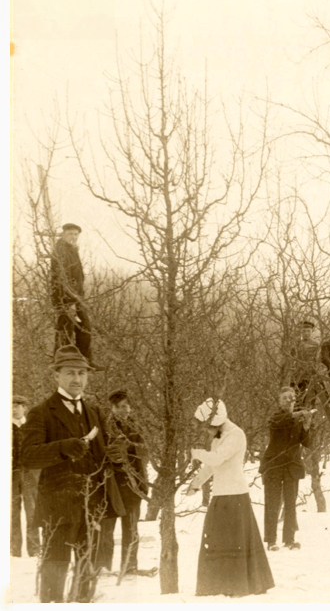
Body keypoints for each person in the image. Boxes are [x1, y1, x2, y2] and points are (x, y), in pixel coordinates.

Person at [20, 345, 127, 603]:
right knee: (55, 566)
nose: (77, 379)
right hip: (59, 506)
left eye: (81, 373)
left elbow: (106, 452)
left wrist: (116, 453)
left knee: (88, 567)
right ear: (56, 375)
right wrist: (63, 448)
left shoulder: (95, 411)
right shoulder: (41, 412)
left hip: (94, 505)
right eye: (70, 373)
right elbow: (28, 456)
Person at [188, 398, 274, 597]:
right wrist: (196, 483)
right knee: (218, 541)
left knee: (235, 542)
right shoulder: (220, 437)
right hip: (221, 496)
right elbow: (212, 466)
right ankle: (220, 586)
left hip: (235, 497)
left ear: (217, 423)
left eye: (208, 428)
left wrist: (196, 452)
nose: (207, 432)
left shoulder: (236, 435)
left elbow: (216, 458)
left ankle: (239, 586)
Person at [98, 390, 152, 578]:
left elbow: (144, 453)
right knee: (106, 529)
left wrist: (130, 446)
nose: (125, 410)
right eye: (121, 407)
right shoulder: (105, 427)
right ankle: (102, 568)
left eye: (128, 406)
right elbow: (102, 453)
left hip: (132, 485)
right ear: (112, 408)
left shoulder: (135, 427)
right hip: (110, 486)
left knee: (131, 528)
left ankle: (129, 567)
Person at [259, 387, 312, 551]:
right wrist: (299, 415)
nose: (289, 401)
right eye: (285, 398)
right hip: (273, 467)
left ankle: (290, 540)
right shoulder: (275, 418)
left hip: (291, 467)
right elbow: (283, 421)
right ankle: (271, 541)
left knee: (290, 504)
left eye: (292, 398)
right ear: (279, 401)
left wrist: (306, 427)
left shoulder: (298, 419)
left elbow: (308, 443)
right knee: (272, 504)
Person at [50, 223, 97, 366]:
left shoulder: (71, 250)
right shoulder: (61, 250)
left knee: (84, 327)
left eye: (76, 234)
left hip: (76, 297)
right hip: (66, 297)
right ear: (63, 234)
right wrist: (69, 302)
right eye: (70, 234)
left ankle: (84, 360)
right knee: (66, 328)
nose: (73, 237)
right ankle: (61, 361)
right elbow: (62, 278)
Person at [11, 394, 41, 558]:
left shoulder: (31, 427)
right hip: (11, 475)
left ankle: (35, 549)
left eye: (18, 405)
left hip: (30, 474)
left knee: (33, 511)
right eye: (11, 406)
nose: (14, 409)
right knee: (11, 512)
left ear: (24, 408)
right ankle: (13, 550)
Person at [285, 320, 321, 408]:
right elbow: (290, 358)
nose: (306, 333)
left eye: (308, 331)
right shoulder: (296, 344)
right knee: (294, 400)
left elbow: (318, 361)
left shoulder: (316, 345)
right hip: (296, 376)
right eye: (304, 331)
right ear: (301, 332)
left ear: (312, 332)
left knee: (308, 400)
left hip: (309, 376)